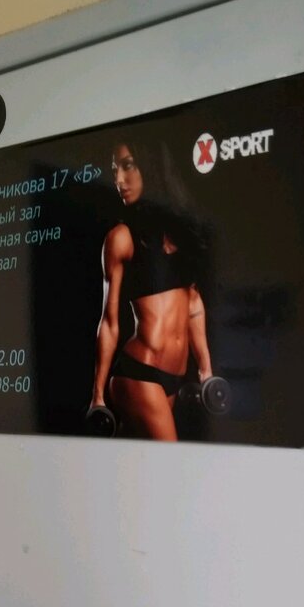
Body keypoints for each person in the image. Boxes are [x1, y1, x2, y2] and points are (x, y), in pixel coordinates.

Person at [89, 139, 214, 440]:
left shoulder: (182, 233)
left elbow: (193, 304)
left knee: (133, 460)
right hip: (139, 374)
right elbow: (110, 321)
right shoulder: (121, 238)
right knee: (169, 458)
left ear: (150, 165)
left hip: (172, 380)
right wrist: (97, 396)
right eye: (114, 170)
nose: (119, 179)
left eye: (127, 166)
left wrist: (206, 369)